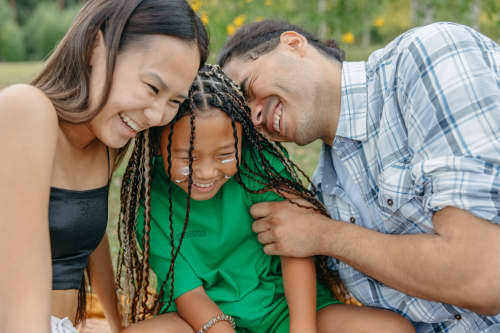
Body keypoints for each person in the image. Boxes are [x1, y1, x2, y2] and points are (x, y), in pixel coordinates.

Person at [217, 20, 500, 332]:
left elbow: (485, 278)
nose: (254, 117)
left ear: (293, 45)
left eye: (248, 88)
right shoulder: (322, 194)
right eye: (244, 117)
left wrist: (325, 236)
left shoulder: (425, 57)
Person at [117, 64, 415, 333]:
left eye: (224, 155)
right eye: (187, 157)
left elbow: (295, 249)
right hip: (205, 319)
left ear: (242, 140)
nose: (207, 172)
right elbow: (187, 291)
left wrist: (302, 328)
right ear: (157, 146)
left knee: (392, 329)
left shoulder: (260, 169)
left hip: (283, 308)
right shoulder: (150, 197)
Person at [0, 0, 208, 332]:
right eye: (152, 87)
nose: (155, 116)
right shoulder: (26, 109)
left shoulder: (106, 142)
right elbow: (20, 284)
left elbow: (89, 234)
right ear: (96, 47)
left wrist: (117, 324)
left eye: (173, 101)